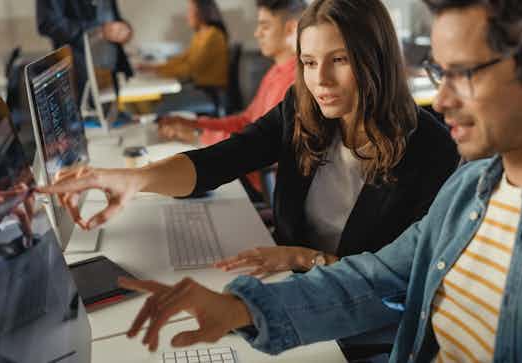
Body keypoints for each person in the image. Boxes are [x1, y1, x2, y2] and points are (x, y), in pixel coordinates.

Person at [107, 0, 522, 361]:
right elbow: (378, 278)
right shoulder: (473, 186)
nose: (444, 99)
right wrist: (236, 307)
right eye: (439, 74)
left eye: (463, 74)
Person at [39, 0, 458, 279]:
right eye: (309, 63)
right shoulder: (303, 107)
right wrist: (134, 180)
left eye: (340, 60)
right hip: (290, 279)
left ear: (376, 60)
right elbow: (222, 160)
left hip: (349, 305)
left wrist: (301, 259)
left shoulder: (431, 149)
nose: (321, 80)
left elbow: (403, 277)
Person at [158, 0, 306, 196]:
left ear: (290, 29)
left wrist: (198, 135)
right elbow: (246, 122)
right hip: (246, 167)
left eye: (265, 26)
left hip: (259, 182)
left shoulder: (294, 83)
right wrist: (193, 123)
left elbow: (262, 148)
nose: (256, 33)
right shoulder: (275, 71)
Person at [37, 0, 134, 97]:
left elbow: (109, 15)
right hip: (80, 78)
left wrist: (124, 29)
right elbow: (48, 23)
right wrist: (98, 29)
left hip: (110, 77)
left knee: (112, 110)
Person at [140, 0, 228, 90]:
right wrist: (155, 67)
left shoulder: (212, 35)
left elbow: (191, 69)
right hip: (200, 86)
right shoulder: (200, 34)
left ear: (202, 12)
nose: (187, 15)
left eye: (190, 10)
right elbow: (183, 59)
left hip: (209, 90)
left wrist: (157, 70)